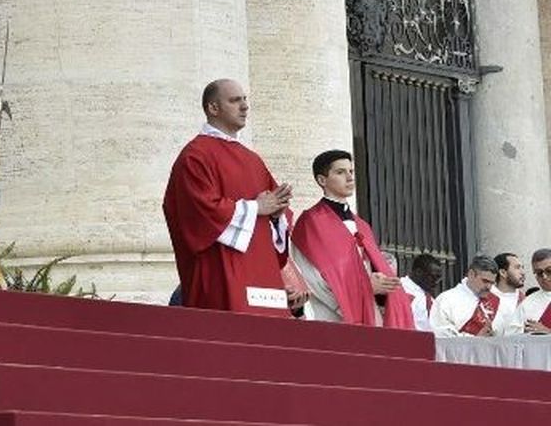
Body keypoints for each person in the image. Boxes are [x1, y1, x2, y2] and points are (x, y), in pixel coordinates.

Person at [162, 79, 295, 317]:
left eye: (245, 100)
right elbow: (199, 212)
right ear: (213, 108)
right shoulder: (195, 156)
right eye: (235, 100)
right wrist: (256, 207)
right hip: (222, 273)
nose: (244, 107)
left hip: (263, 275)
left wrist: (276, 214)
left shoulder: (253, 159)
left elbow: (272, 212)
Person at [287, 150, 412, 327]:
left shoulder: (362, 226)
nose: (350, 177)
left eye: (351, 171)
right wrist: (357, 295)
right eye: (340, 172)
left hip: (371, 311)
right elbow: (310, 276)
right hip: (332, 315)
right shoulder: (311, 222)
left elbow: (369, 267)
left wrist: (383, 290)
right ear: (322, 180)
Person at [431, 255, 503, 336]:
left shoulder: (496, 300)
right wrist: (475, 339)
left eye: (492, 283)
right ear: (471, 274)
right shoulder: (447, 300)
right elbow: (440, 335)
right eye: (485, 281)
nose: (489, 287)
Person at [507, 248, 551, 335]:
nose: (544, 276)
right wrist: (524, 332)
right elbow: (510, 335)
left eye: (549, 271)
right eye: (539, 273)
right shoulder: (528, 303)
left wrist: (549, 332)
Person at [401, 252, 445, 332]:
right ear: (418, 272)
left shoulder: (430, 300)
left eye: (439, 278)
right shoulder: (400, 289)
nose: (436, 282)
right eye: (433, 276)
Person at [491, 251, 526, 328]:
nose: (523, 273)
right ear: (503, 272)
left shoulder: (525, 301)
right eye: (517, 268)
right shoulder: (486, 299)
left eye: (522, 268)